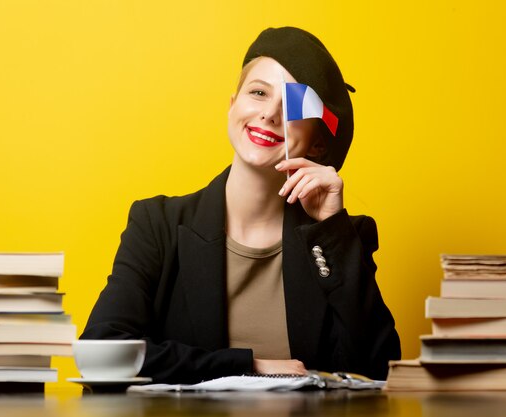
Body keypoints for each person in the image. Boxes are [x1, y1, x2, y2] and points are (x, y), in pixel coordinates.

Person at [82, 27, 401, 383]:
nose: (269, 114)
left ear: (318, 147)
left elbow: (379, 373)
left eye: (293, 105)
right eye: (259, 93)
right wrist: (247, 365)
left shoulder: (342, 237)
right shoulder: (157, 225)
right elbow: (101, 353)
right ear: (233, 105)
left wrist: (331, 231)